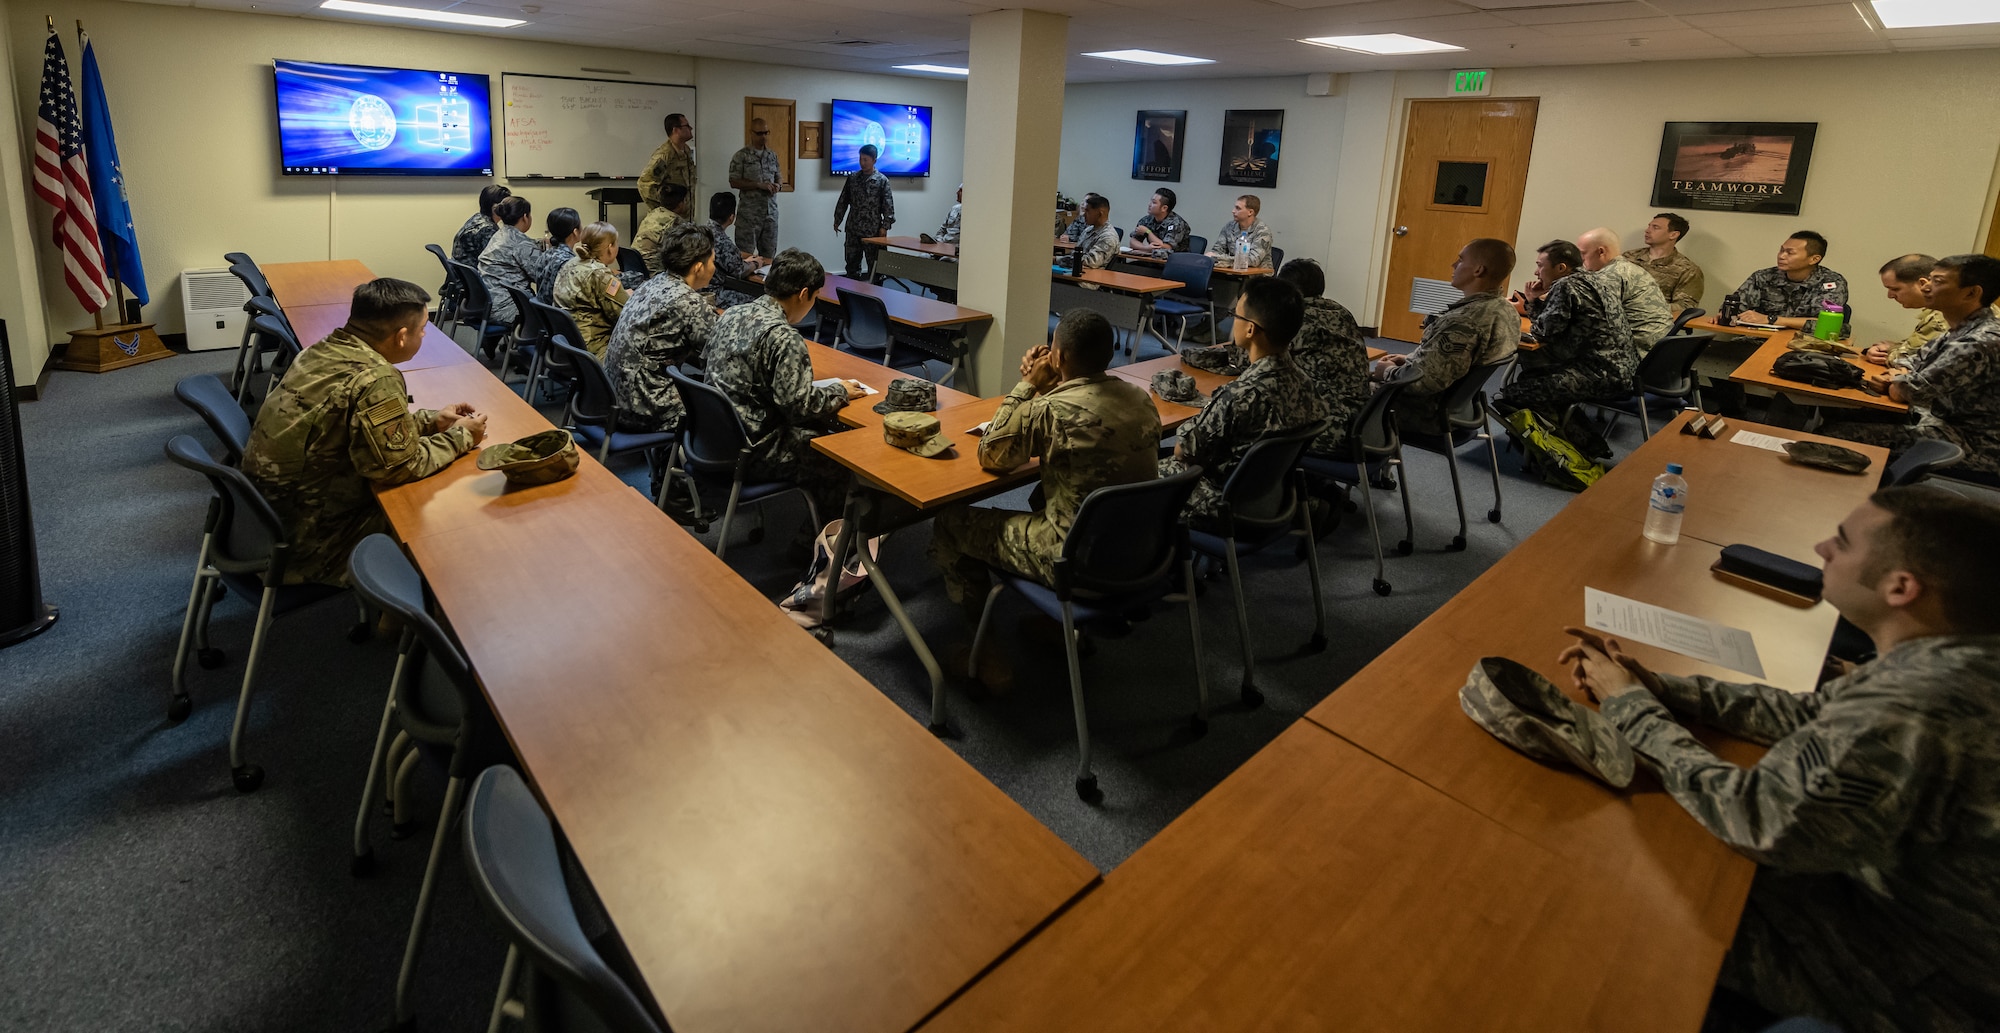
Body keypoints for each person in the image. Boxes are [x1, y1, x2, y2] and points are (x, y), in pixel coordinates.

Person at [1555, 485, 2000, 1033]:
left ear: (1900, 587)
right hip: (1894, 911)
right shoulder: (1958, 657)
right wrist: (1660, 687)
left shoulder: (1922, 702)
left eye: (1841, 542)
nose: (1821, 548)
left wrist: (1630, 708)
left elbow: (1758, 818)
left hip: (1910, 983)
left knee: (1605, 889)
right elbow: (1809, 714)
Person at [927, 308, 1160, 683]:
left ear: (1060, 357)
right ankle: (1061, 627)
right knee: (1041, 494)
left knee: (951, 522)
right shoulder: (1140, 398)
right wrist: (1051, 387)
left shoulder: (1050, 409)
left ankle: (985, 657)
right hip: (1140, 549)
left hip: (1074, 558)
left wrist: (1028, 386)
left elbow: (992, 454)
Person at [240, 278, 487, 587]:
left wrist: (431, 421)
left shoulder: (324, 349)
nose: (425, 334)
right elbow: (399, 466)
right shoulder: (375, 378)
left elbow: (359, 426)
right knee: (444, 523)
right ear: (401, 337)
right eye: (423, 328)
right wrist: (462, 436)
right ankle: (409, 616)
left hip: (262, 520)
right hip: (309, 539)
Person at [703, 248, 867, 524]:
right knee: (838, 457)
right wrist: (840, 391)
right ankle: (816, 548)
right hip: (753, 449)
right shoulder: (784, 338)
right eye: (815, 297)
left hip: (715, 438)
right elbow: (799, 407)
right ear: (803, 294)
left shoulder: (731, 314)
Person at [1161, 276, 1327, 529]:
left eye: (1235, 315)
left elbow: (1182, 451)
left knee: (1133, 472)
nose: (1232, 321)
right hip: (1272, 498)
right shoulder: (1305, 382)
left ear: (1250, 329)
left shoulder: (1241, 394)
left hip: (1224, 504)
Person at [1827, 254, 2000, 475]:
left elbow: (1911, 391)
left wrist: (1898, 380)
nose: (1927, 287)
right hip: (1937, 420)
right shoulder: (1962, 327)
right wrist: (1902, 377)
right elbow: (1910, 360)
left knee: (1836, 434)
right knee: (1840, 412)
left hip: (1972, 441)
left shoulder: (1979, 341)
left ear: (1971, 292)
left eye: (1938, 282)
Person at [1376, 239, 1520, 438]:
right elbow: (1450, 362)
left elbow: (1423, 383)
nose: (1453, 265)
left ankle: (1365, 465)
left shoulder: (1464, 321)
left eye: (1460, 260)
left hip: (1428, 413)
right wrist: (1411, 360)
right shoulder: (1505, 310)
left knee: (1342, 392)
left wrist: (1389, 372)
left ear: (1478, 270)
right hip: (1461, 407)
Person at [1497, 239, 1636, 434]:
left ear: (1561, 267)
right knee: (1531, 376)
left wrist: (1533, 302)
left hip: (1601, 377)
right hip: (1622, 371)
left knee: (1516, 391)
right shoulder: (1597, 279)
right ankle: (1571, 436)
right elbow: (1553, 325)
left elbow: (1544, 332)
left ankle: (1560, 445)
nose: (1536, 272)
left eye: (1540, 266)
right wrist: (1534, 302)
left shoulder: (1565, 286)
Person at [606, 222, 719, 438]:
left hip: (614, 397)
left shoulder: (652, 284)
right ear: (698, 267)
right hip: (645, 407)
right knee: (730, 406)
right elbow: (722, 354)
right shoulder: (688, 302)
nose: (714, 267)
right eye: (712, 261)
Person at [1268, 259, 1369, 458]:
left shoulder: (1299, 317)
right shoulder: (1340, 312)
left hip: (1326, 430)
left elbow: (1255, 357)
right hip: (1362, 422)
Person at [1732, 230, 1849, 337]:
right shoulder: (1763, 276)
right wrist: (1725, 314)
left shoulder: (1831, 283)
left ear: (1814, 259)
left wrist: (1771, 319)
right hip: (1756, 340)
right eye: (1781, 250)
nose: (1781, 256)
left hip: (1804, 347)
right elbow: (1736, 307)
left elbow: (1826, 324)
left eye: (1790, 253)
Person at [478, 196, 569, 330]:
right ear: (525, 217)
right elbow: (541, 275)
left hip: (490, 301)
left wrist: (539, 243)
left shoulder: (501, 234)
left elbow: (520, 247)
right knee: (563, 316)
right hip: (507, 308)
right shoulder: (521, 244)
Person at [1578, 226, 1671, 350]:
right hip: (1660, 350)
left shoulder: (1609, 276)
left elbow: (1584, 314)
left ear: (1601, 252)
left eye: (1583, 253)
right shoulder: (1631, 269)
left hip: (1636, 351)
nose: (1581, 259)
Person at [552, 221, 628, 359]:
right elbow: (625, 316)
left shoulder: (571, 263)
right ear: (610, 247)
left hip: (566, 345)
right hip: (594, 350)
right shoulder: (601, 275)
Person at [1860, 253, 1946, 367]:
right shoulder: (1940, 310)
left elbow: (1909, 361)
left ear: (1923, 284)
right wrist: (1895, 348)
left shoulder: (1941, 316)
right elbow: (1917, 349)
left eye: (1895, 289)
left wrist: (1883, 353)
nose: (1890, 296)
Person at [1620, 212, 1704, 315]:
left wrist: (1645, 306)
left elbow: (1685, 306)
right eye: (1649, 226)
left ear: (1673, 234)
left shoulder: (1688, 270)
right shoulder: (1628, 257)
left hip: (1651, 323)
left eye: (1655, 227)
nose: (1647, 231)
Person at [833, 144, 895, 279]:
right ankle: (852, 293)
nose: (862, 162)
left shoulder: (882, 180)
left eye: (866, 159)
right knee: (851, 265)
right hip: (853, 228)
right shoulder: (853, 178)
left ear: (874, 160)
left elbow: (888, 206)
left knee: (876, 267)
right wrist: (837, 220)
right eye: (860, 159)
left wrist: (885, 226)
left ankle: (877, 294)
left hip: (873, 230)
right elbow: (843, 200)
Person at [728, 117, 782, 260]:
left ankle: (765, 282)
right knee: (745, 257)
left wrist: (778, 185)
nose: (763, 137)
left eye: (766, 133)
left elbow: (778, 176)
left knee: (769, 257)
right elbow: (733, 182)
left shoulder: (772, 155)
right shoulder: (741, 156)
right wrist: (758, 185)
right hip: (749, 217)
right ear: (751, 133)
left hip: (770, 215)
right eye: (759, 133)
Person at [638, 112, 696, 213]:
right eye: (686, 126)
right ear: (676, 130)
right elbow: (644, 185)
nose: (691, 128)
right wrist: (666, 207)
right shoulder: (664, 155)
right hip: (668, 221)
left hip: (684, 218)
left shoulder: (685, 150)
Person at [705, 191, 767, 282]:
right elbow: (739, 271)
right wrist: (756, 263)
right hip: (714, 291)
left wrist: (745, 262)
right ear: (731, 217)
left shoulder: (700, 231)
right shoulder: (723, 241)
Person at [632, 183, 689, 276]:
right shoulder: (676, 222)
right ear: (680, 204)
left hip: (636, 268)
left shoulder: (653, 213)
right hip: (653, 272)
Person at [1205, 194, 1274, 270]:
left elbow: (1253, 260)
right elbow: (1216, 251)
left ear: (1250, 212)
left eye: (1238, 208)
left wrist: (1222, 259)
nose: (1233, 211)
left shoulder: (1262, 231)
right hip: (1234, 271)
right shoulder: (1229, 226)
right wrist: (1216, 257)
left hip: (1258, 277)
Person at [451, 184, 511, 265]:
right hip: (476, 274)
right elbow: (497, 261)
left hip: (464, 274)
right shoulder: (487, 229)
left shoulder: (478, 218)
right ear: (495, 208)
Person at [533, 206, 582, 304]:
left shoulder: (546, 254)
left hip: (547, 314)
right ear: (575, 232)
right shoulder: (569, 262)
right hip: (561, 315)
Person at [1127, 188, 1190, 254]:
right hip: (1152, 260)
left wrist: (1148, 233)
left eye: (1154, 202)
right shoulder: (1146, 220)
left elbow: (1166, 247)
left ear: (1164, 208)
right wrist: (1147, 248)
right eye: (1151, 201)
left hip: (1174, 262)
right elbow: (1133, 241)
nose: (1149, 204)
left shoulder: (1176, 223)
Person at [1071, 194, 1117, 272]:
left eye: (1087, 211)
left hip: (1088, 280)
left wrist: (1060, 260)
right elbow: (1075, 253)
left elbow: (1091, 262)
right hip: (1074, 271)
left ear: (1100, 213)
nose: (1084, 214)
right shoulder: (1088, 230)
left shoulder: (1108, 236)